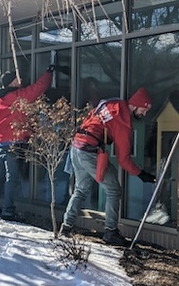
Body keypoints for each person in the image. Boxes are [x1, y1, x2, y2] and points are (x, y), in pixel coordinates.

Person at [59, 87, 156, 246]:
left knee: (81, 189)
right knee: (113, 190)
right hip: (90, 151)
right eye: (144, 110)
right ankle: (111, 231)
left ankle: (66, 227)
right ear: (137, 104)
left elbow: (92, 117)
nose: (144, 114)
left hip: (76, 146)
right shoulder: (123, 121)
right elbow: (123, 159)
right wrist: (141, 173)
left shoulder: (111, 103)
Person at [0, 66, 54, 221]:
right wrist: (48, 73)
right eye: (17, 78)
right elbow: (37, 89)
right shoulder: (17, 96)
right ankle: (8, 211)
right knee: (12, 178)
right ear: (11, 83)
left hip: (1, 144)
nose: (21, 80)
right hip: (14, 144)